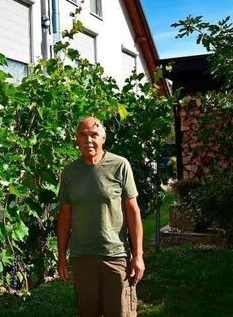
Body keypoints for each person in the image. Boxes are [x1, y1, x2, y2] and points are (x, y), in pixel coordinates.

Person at [57, 117, 144, 317]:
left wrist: (138, 256)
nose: (88, 140)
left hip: (115, 256)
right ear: (77, 140)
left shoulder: (120, 165)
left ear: (103, 138)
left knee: (120, 312)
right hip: (82, 258)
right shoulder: (70, 173)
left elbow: (133, 212)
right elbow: (64, 216)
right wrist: (62, 256)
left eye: (94, 134)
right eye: (83, 135)